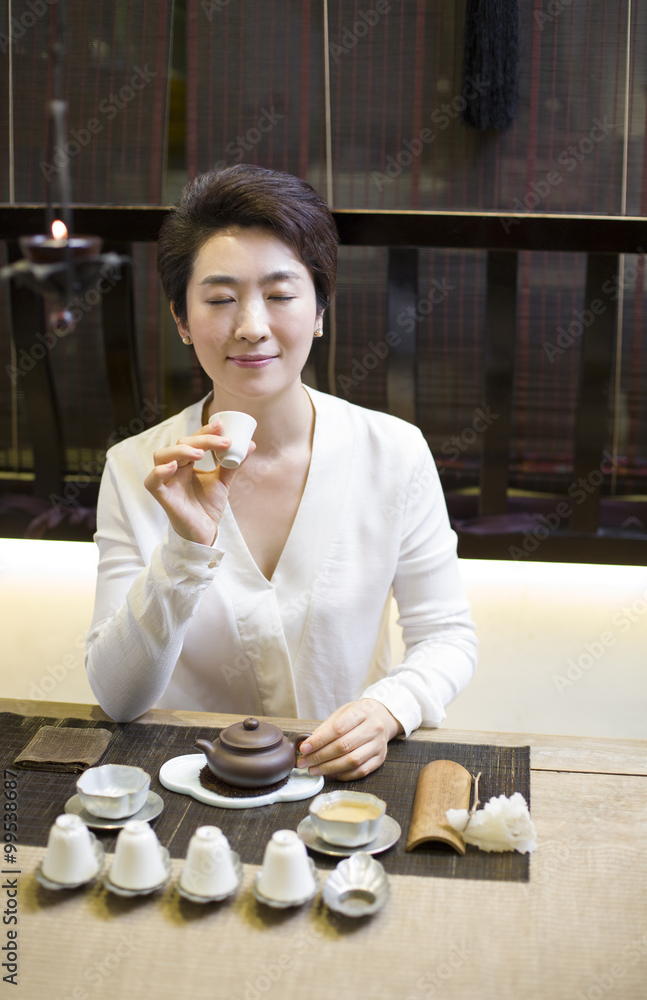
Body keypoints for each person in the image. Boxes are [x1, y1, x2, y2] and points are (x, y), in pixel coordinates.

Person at [85, 164, 477, 780]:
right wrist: (186, 550)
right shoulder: (138, 468)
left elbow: (448, 636)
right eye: (219, 299)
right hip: (190, 794)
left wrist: (389, 707)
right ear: (182, 321)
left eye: (281, 295)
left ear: (319, 309)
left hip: (345, 792)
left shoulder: (394, 452)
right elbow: (117, 696)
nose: (252, 326)